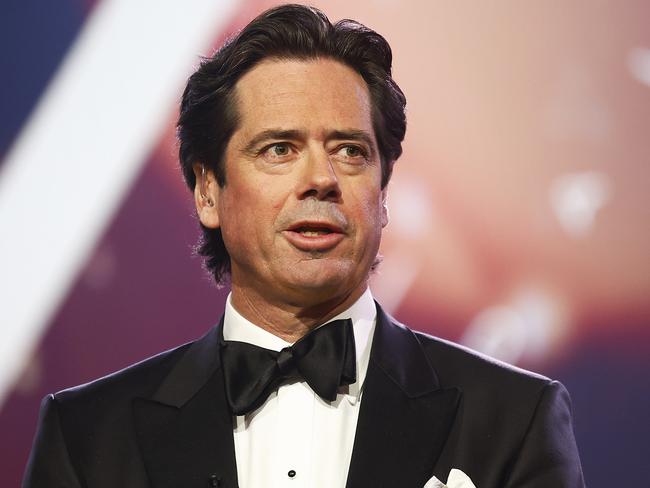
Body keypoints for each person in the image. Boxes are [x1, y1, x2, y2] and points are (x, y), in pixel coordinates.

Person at [23, 4, 585, 487]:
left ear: (383, 193)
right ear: (208, 192)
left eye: (350, 151)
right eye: (279, 149)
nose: (321, 178)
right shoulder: (89, 436)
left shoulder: (512, 420)